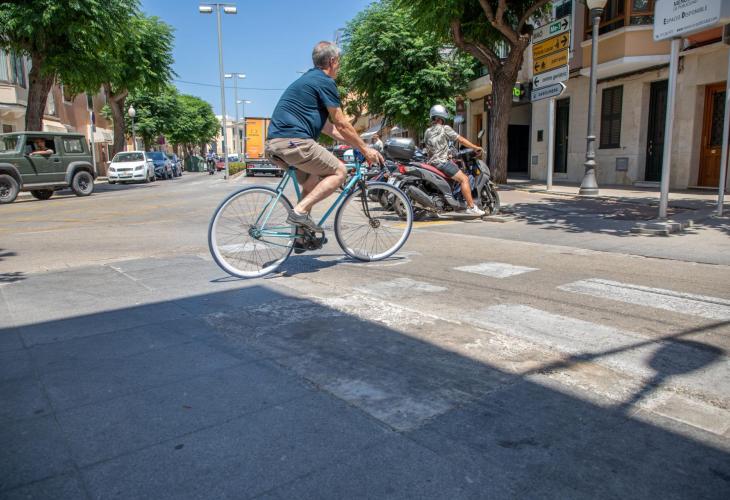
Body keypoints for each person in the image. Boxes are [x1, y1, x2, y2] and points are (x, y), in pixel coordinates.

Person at [265, 41, 384, 239]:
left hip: (277, 144)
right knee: (340, 171)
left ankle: (302, 237)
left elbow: (332, 129)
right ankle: (299, 212)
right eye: (339, 62)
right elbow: (342, 123)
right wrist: (365, 149)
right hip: (295, 142)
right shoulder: (325, 81)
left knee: (312, 182)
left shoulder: (308, 80)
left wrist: (357, 144)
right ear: (332, 61)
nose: (339, 66)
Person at [423, 104, 485, 216]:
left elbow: (430, 149)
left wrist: (448, 154)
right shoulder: (445, 128)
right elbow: (460, 140)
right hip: (442, 163)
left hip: (432, 163)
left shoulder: (427, 131)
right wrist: (475, 147)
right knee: (464, 179)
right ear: (442, 117)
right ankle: (471, 207)